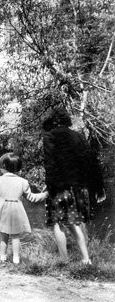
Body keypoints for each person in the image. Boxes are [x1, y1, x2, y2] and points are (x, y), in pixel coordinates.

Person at [42, 107, 105, 265]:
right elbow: (91, 161)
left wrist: (49, 187)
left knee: (57, 223)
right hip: (77, 188)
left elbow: (50, 165)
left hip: (59, 188)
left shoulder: (49, 137)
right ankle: (86, 259)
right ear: (66, 120)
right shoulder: (78, 136)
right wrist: (98, 187)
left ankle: (64, 261)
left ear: (52, 120)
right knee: (74, 223)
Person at [0, 153, 48, 264]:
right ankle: (16, 260)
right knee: (15, 237)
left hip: (3, 211)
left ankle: (2, 259)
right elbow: (31, 197)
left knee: (3, 237)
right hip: (17, 211)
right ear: (18, 168)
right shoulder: (23, 182)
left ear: (3, 167)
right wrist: (45, 194)